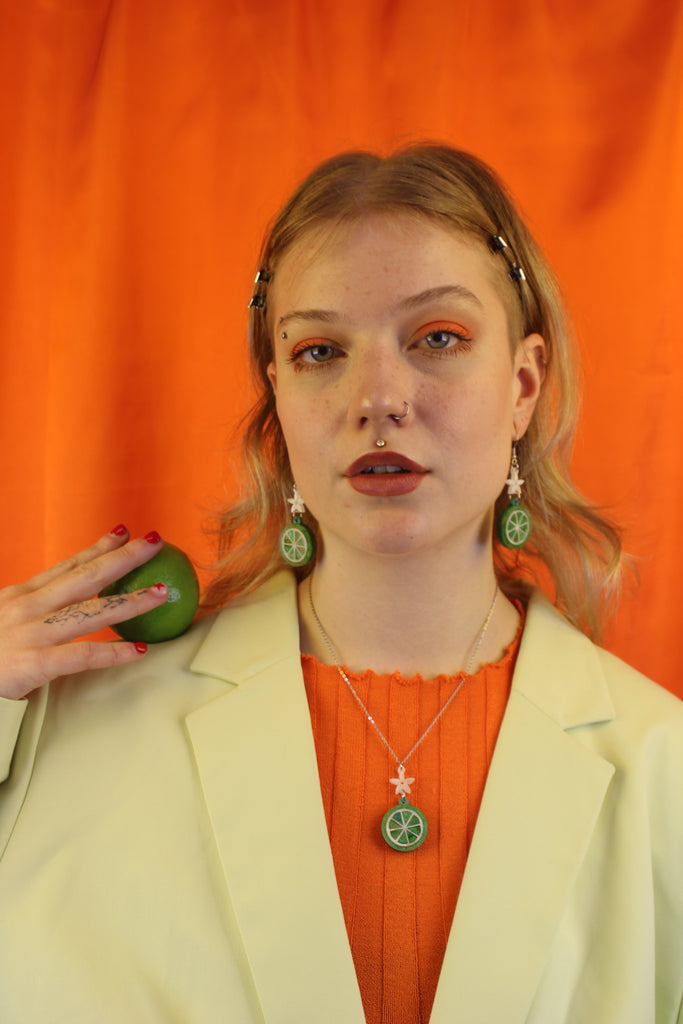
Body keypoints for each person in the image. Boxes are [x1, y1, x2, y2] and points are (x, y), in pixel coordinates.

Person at [0, 144, 681, 1024]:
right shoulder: (68, 726)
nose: (379, 397)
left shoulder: (663, 765)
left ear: (521, 386)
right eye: (321, 350)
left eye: (437, 338)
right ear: (277, 395)